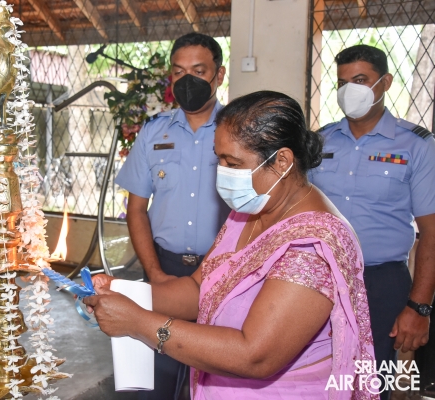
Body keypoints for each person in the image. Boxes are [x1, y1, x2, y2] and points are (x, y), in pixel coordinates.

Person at [86, 91, 378, 399]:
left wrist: (139, 323)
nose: (222, 173)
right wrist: (122, 291)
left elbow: (254, 355)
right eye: (219, 160)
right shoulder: (249, 210)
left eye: (233, 163)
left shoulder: (311, 245)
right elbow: (198, 290)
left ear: (282, 161)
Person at [309, 44, 435, 400]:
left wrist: (419, 307)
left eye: (361, 80)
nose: (350, 90)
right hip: (320, 278)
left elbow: (431, 233)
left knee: (370, 382)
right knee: (314, 378)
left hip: (380, 283)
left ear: (385, 83)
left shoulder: (417, 146)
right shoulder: (319, 141)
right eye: (343, 82)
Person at [114, 32, 230, 400]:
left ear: (219, 74)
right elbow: (136, 210)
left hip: (223, 272)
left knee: (217, 381)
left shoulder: (239, 132)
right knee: (156, 381)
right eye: (179, 72)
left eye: (199, 71)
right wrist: (155, 275)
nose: (187, 80)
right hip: (164, 268)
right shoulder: (153, 132)